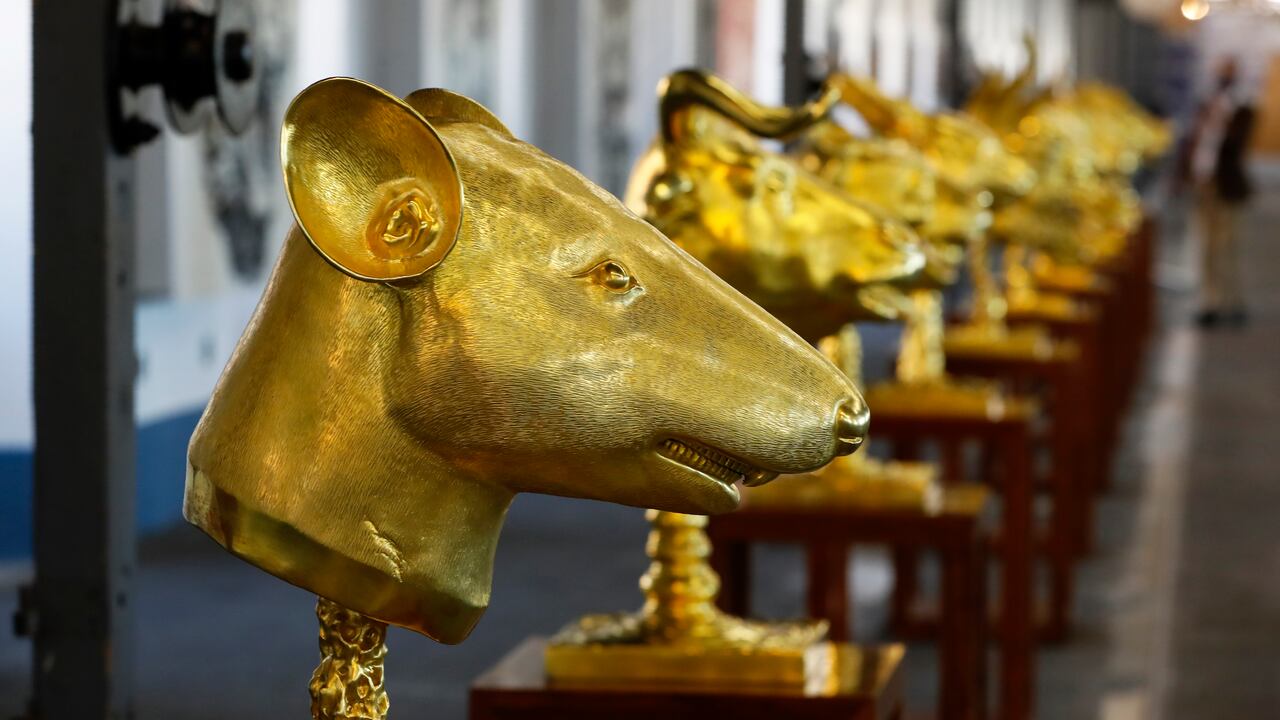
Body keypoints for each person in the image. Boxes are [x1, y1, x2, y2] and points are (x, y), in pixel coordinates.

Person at [1184, 57, 1257, 327]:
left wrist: (1221, 118)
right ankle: (1210, 299)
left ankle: (1231, 299)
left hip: (1226, 184)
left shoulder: (1241, 107)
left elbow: (1236, 144)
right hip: (1206, 181)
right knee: (1206, 243)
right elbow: (1199, 143)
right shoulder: (1209, 105)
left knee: (1227, 243)